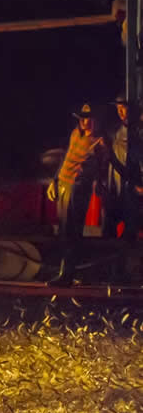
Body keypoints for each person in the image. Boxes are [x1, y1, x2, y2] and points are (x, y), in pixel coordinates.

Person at [46, 103, 109, 285]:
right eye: (81, 118)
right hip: (64, 184)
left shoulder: (100, 141)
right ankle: (67, 272)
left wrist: (95, 180)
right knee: (64, 231)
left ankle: (68, 274)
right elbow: (66, 157)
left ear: (95, 120)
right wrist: (55, 180)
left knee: (72, 231)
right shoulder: (76, 134)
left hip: (78, 187)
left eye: (87, 117)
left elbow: (102, 169)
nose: (83, 121)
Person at [103, 96, 140, 248]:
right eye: (118, 108)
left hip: (132, 185)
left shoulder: (138, 131)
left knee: (130, 229)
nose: (120, 112)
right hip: (114, 185)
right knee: (109, 226)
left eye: (123, 107)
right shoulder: (114, 131)